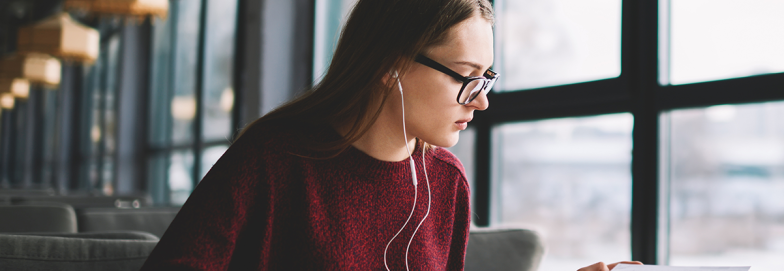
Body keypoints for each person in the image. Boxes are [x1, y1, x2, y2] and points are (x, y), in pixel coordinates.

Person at [140, 0, 640, 270]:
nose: (481, 100)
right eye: (465, 76)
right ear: (390, 65)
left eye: (486, 79)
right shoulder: (274, 157)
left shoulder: (445, 182)